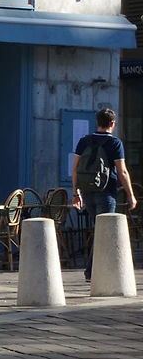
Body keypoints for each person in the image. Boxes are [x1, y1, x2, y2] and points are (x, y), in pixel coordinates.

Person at [72, 107, 137, 282]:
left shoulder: (84, 141)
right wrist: (131, 195)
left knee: (99, 230)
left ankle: (95, 271)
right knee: (104, 231)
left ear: (97, 122)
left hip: (87, 192)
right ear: (112, 123)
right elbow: (122, 171)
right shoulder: (115, 143)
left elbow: (75, 169)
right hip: (106, 192)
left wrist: (76, 193)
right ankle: (91, 272)